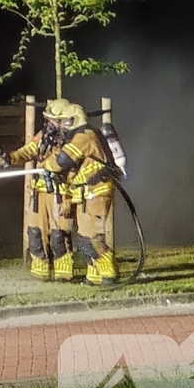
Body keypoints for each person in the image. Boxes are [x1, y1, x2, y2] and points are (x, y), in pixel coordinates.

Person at [0, 99, 73, 281]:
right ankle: (40, 269)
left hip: (60, 193)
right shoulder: (43, 137)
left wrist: (68, 198)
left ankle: (63, 272)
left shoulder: (72, 142)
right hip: (39, 192)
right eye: (49, 120)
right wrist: (9, 158)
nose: (51, 124)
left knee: (59, 234)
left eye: (55, 121)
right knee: (35, 232)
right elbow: (27, 151)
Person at [42, 103, 118, 286]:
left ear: (71, 120)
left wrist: (48, 165)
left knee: (90, 238)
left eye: (62, 121)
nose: (59, 125)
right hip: (87, 194)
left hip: (96, 193)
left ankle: (110, 274)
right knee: (85, 235)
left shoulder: (84, 137)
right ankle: (94, 276)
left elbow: (62, 161)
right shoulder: (79, 136)